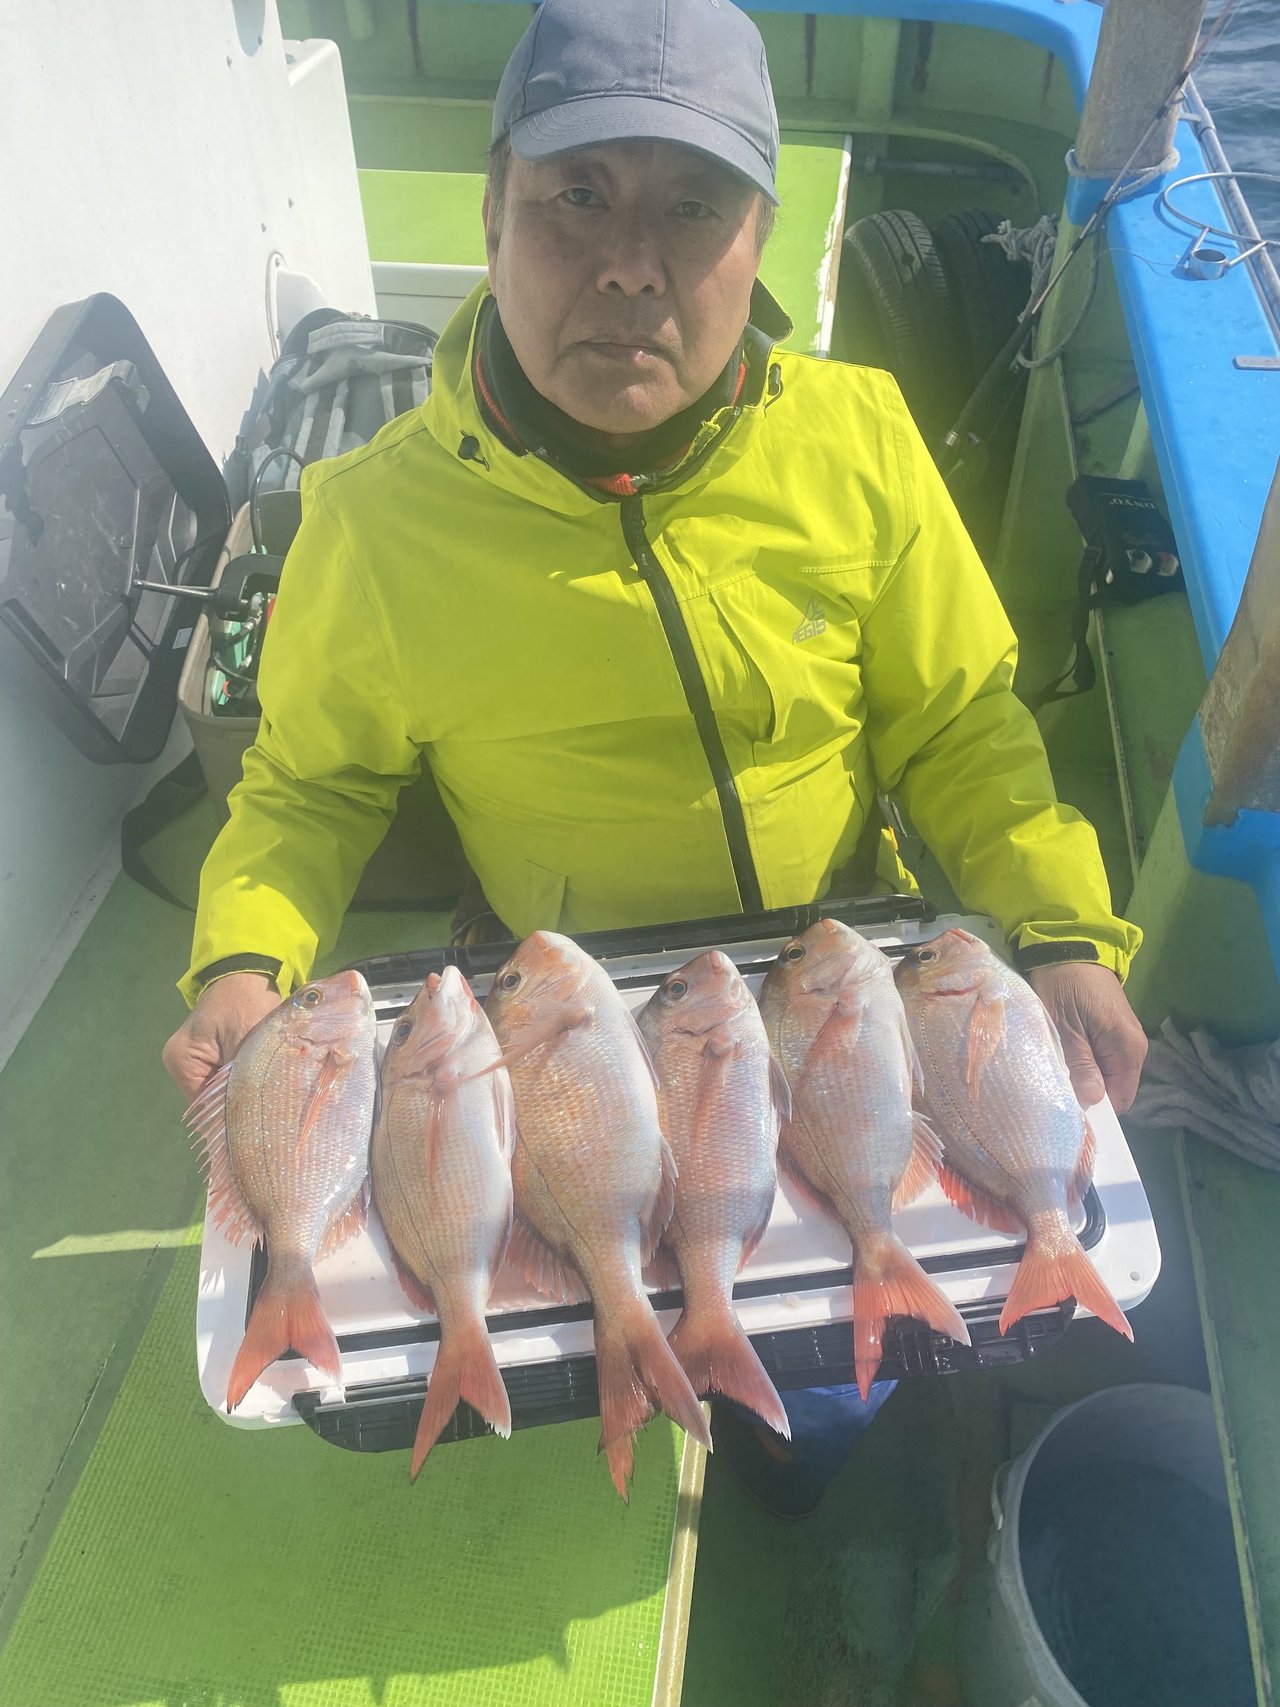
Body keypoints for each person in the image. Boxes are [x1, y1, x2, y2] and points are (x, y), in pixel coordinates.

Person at [163, 0, 1147, 1516]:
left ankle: (791, 1446)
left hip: (836, 957)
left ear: (759, 237)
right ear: (493, 214)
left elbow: (960, 724)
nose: (631, 264)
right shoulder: (373, 520)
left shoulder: (861, 440)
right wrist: (243, 959)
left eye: (692, 207)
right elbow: (311, 785)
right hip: (558, 1004)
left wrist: (1065, 927)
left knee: (834, 1350)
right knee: (567, 1284)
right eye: (578, 195)